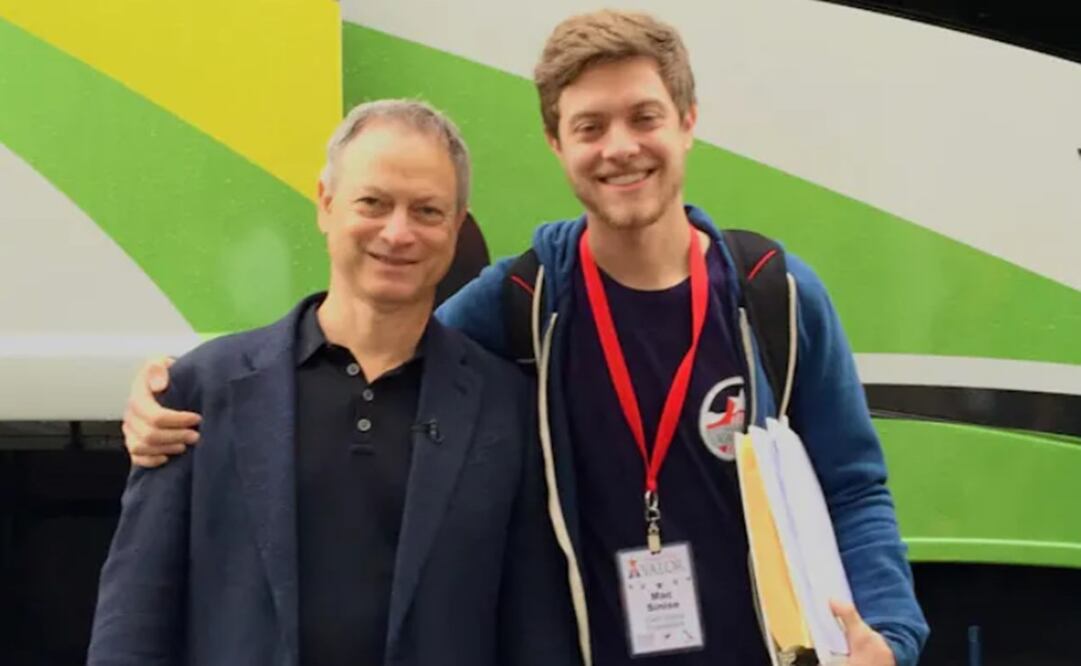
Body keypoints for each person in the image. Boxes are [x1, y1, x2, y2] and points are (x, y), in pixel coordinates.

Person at [121, 11, 929, 666]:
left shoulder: (772, 298)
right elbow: (374, 351)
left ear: (686, 122)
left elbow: (853, 487)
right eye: (589, 125)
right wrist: (167, 395)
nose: (620, 147)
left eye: (644, 117)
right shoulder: (521, 302)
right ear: (556, 143)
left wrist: (888, 637)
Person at [88, 100, 580, 666]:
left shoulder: (507, 410)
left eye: (426, 210)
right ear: (325, 202)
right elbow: (134, 623)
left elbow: (535, 631)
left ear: (456, 225)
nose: (398, 232)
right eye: (373, 203)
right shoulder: (198, 393)